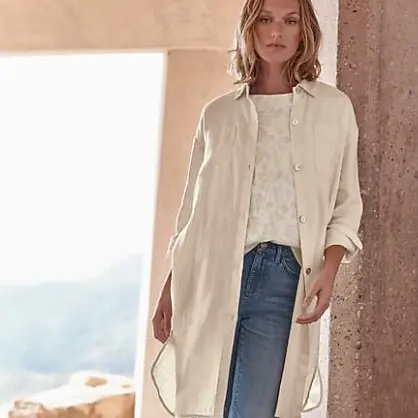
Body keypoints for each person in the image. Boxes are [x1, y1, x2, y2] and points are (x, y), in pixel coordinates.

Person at [151, 0, 363, 416]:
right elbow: (193, 213)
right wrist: (171, 285)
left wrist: (330, 268)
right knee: (210, 405)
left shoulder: (333, 109)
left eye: (290, 21)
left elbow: (346, 201)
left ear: (304, 30)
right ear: (249, 28)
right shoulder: (217, 116)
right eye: (265, 20)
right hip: (212, 276)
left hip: (282, 280)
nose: (277, 32)